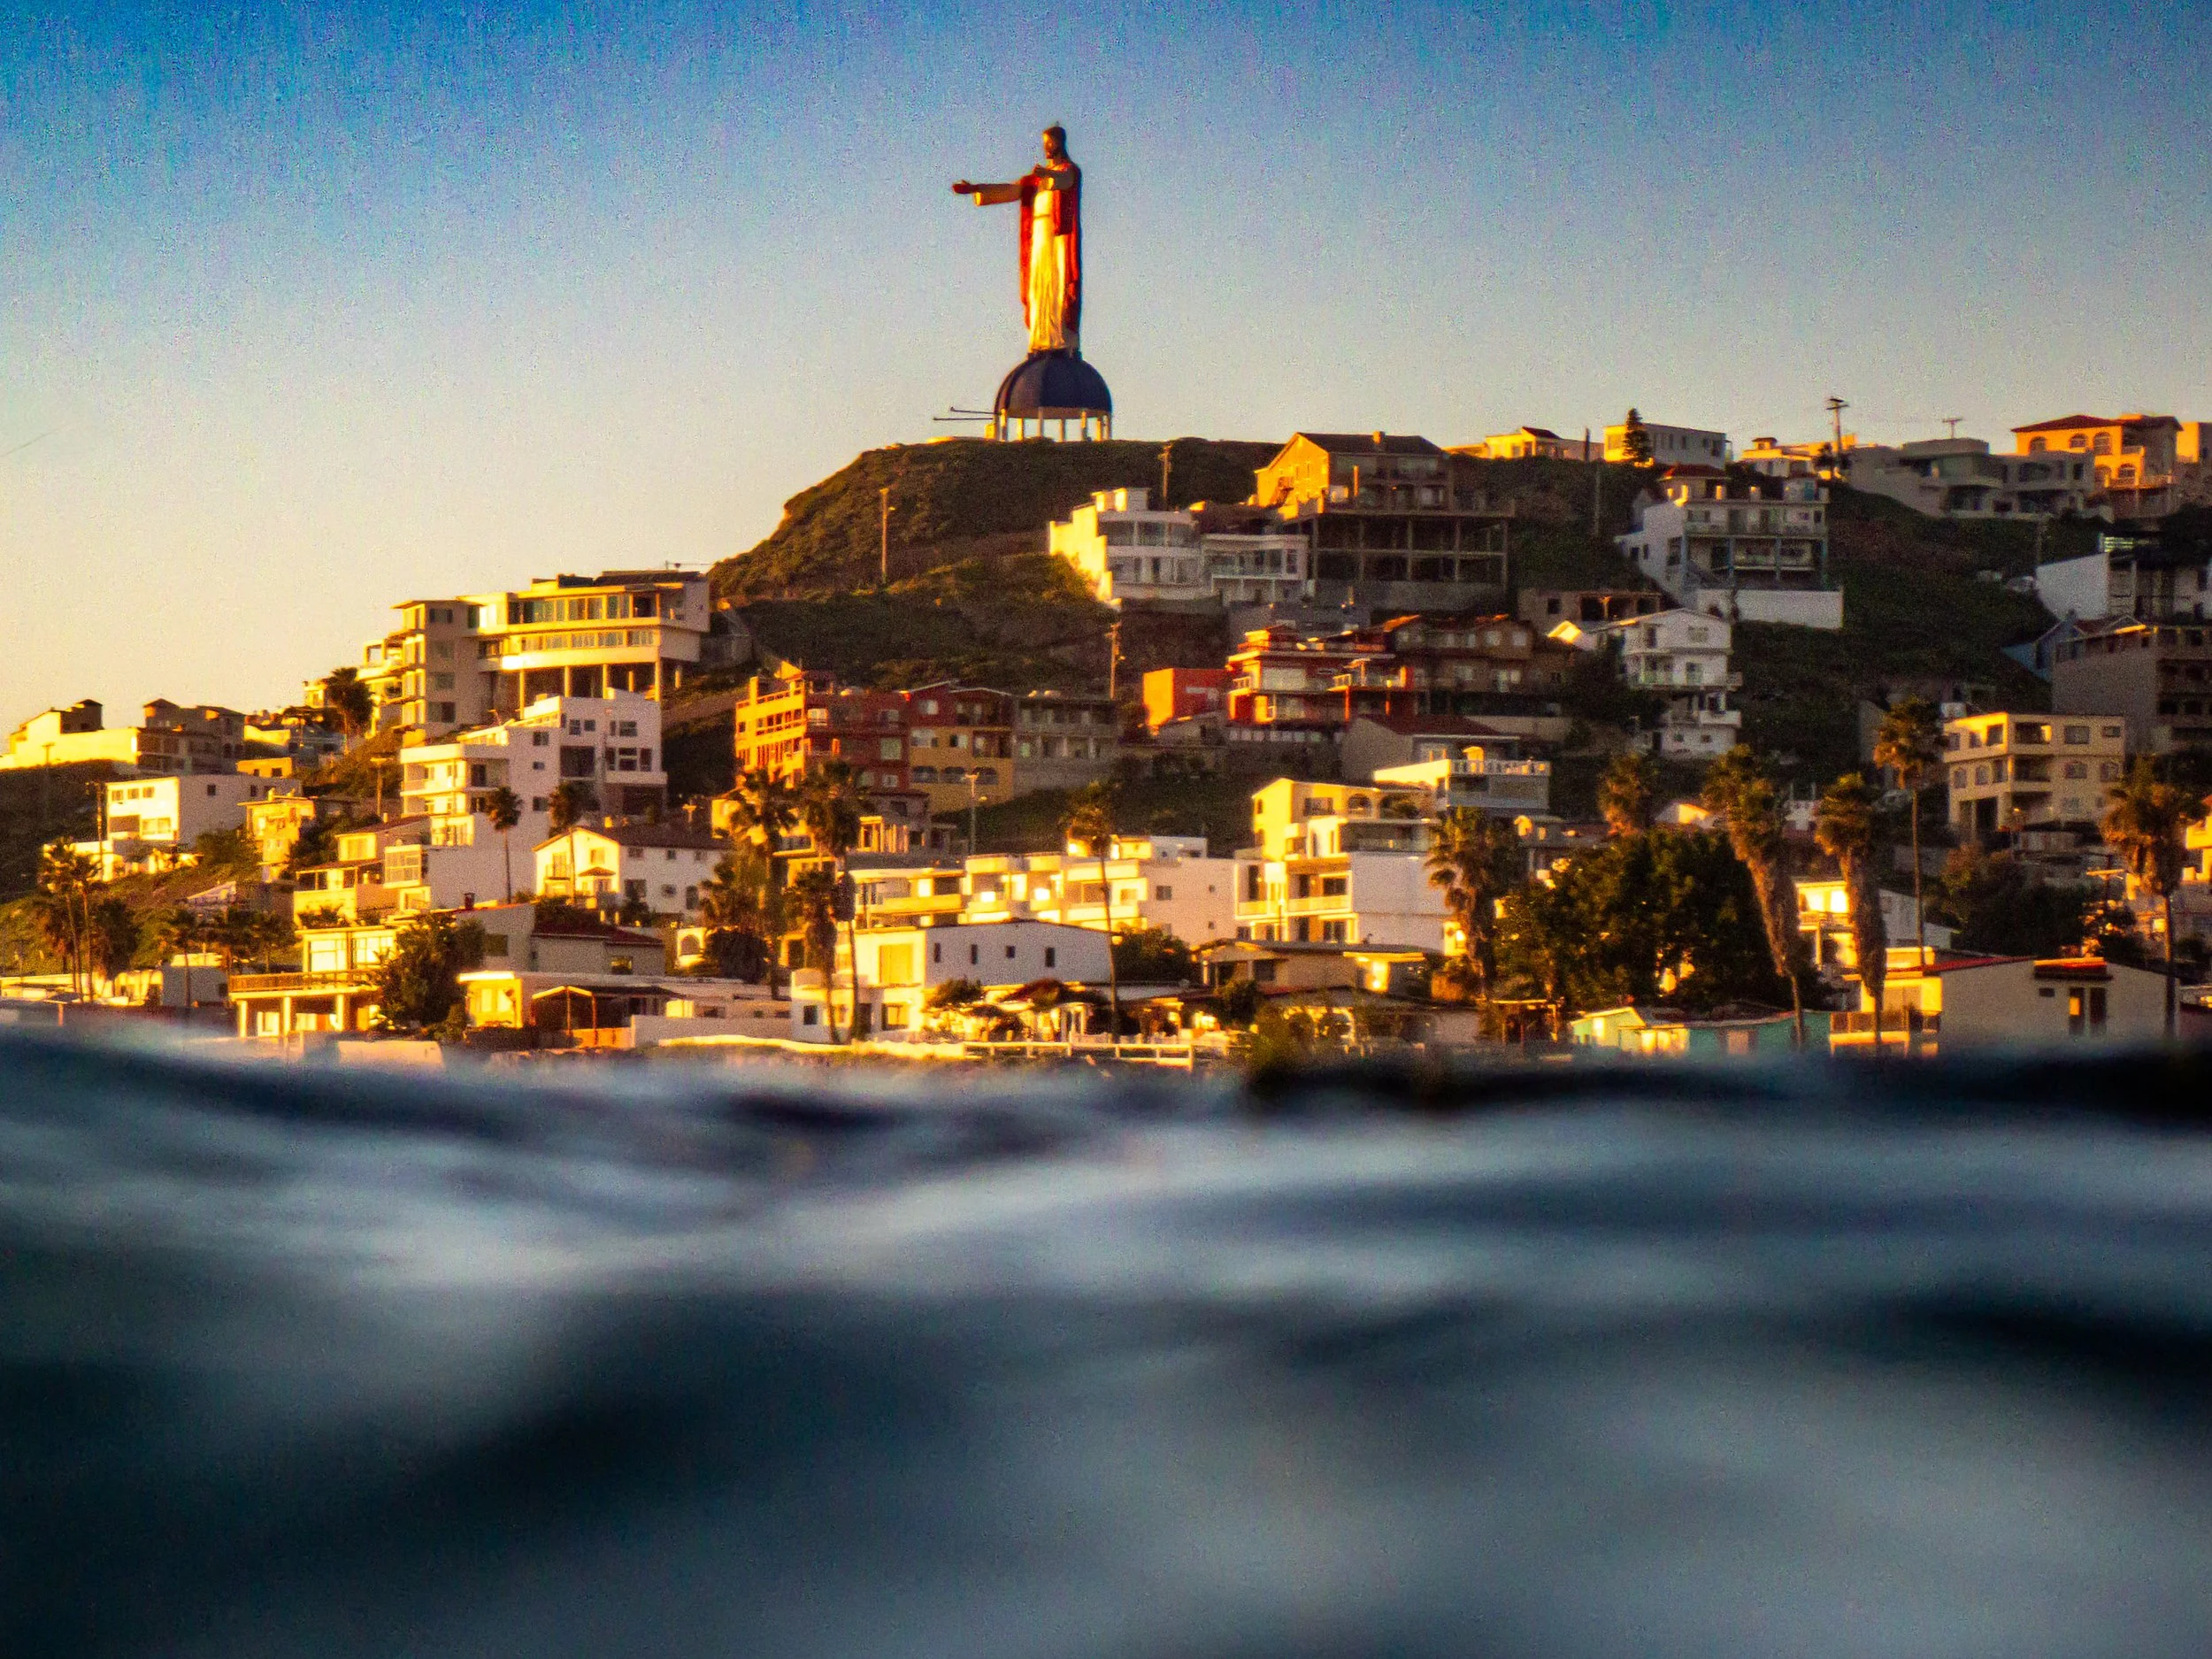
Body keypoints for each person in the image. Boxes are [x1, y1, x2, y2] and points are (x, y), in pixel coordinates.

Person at [951, 125, 1082, 356]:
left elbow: (1064, 180)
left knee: (1057, 283)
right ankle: (1041, 337)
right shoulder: (1034, 181)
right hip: (1039, 239)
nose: (1046, 147)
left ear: (1059, 143)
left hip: (1058, 238)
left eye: (1049, 143)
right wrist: (976, 188)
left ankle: (1060, 337)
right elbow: (1011, 190)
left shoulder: (1068, 170)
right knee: (1038, 287)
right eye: (1045, 143)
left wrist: (1049, 175)